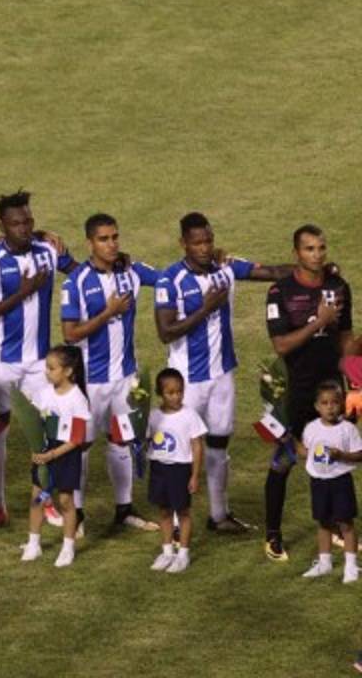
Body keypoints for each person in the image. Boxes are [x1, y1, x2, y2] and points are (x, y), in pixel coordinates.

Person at [154, 212, 290, 532]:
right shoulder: (169, 279)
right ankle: (174, 522)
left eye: (208, 241)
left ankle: (219, 515)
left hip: (222, 375)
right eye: (197, 242)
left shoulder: (225, 268)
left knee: (218, 445)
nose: (204, 248)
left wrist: (315, 271)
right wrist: (205, 308)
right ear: (183, 243)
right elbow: (165, 331)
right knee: (180, 451)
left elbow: (271, 272)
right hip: (186, 381)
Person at [0, 190, 75, 533]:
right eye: (16, 223)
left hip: (38, 363)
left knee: (47, 431)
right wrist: (24, 291)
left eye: (29, 221)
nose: (24, 228)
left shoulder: (48, 250)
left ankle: (45, 500)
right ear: (1, 226)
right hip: (0, 362)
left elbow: (78, 273)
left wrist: (115, 264)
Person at [263, 225, 356, 561]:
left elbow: (346, 338)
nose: (317, 255)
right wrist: (318, 322)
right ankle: (272, 534)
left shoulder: (339, 286)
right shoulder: (280, 292)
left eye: (321, 248)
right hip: (296, 389)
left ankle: (334, 528)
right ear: (296, 253)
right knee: (284, 460)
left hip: (331, 388)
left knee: (332, 456)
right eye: (309, 249)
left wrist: (354, 384)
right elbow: (281, 344)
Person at [61, 213, 158, 532]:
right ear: (90, 242)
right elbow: (70, 334)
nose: (111, 244)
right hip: (91, 382)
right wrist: (109, 312)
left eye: (115, 237)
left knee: (121, 441)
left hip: (125, 378)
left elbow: (169, 277)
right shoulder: (75, 282)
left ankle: (125, 508)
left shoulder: (131, 273)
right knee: (81, 446)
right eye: (103, 239)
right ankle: (76, 514)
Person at [22, 345, 90, 568]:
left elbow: (78, 438)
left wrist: (53, 454)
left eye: (52, 368)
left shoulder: (77, 399)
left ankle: (67, 547)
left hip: (66, 453)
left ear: (68, 371)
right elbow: (35, 425)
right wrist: (38, 449)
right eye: (46, 368)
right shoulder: (43, 393)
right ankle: (34, 543)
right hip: (45, 450)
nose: (46, 372)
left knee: (65, 501)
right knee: (37, 496)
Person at [297, 382, 362, 583]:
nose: (330, 407)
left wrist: (341, 455)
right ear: (317, 406)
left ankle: (351, 566)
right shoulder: (311, 428)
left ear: (341, 404)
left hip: (340, 482)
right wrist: (291, 442)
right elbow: (306, 451)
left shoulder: (348, 429)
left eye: (334, 402)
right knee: (323, 521)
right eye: (325, 403)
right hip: (319, 482)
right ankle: (324, 562)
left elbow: (359, 454)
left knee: (345, 523)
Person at [147, 368, 206, 574]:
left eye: (180, 391)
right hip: (158, 468)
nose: (176, 396)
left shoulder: (190, 416)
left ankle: (183, 554)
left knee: (183, 511)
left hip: (180, 470)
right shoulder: (153, 416)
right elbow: (146, 439)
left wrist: (195, 475)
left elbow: (197, 446)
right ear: (160, 393)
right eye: (170, 392)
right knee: (164, 510)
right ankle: (167, 551)